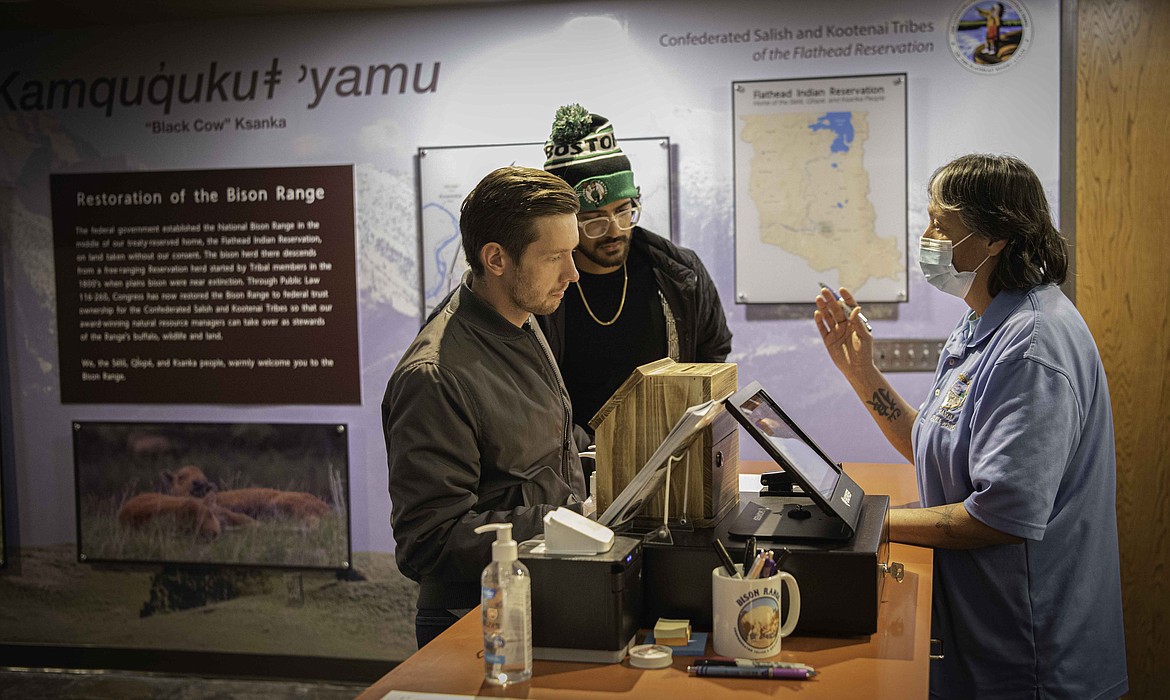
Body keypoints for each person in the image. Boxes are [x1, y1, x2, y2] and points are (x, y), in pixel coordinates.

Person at [814, 154, 1127, 698]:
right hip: (982, 641)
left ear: (996, 237)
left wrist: (870, 522)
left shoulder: (1032, 345)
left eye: (942, 223)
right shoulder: (983, 319)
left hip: (1030, 660)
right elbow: (938, 448)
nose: (927, 236)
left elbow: (1001, 517)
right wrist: (861, 373)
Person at [383, 166, 588, 648]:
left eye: (572, 252)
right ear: (496, 258)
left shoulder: (522, 317)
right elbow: (429, 542)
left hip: (540, 598)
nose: (573, 273)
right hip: (473, 622)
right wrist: (571, 520)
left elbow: (538, 449)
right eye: (555, 256)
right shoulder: (434, 376)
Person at [537, 104, 733, 449]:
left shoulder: (678, 273)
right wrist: (586, 451)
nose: (614, 230)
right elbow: (531, 399)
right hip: (569, 465)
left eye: (624, 211)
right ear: (565, 221)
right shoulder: (540, 288)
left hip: (667, 458)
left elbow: (712, 353)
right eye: (594, 218)